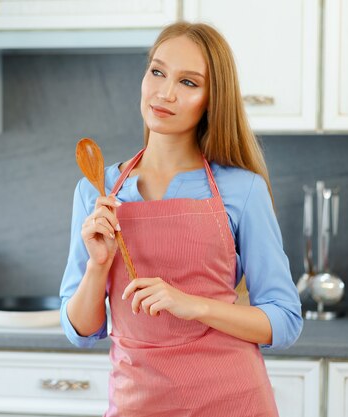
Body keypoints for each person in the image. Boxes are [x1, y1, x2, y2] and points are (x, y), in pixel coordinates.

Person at [60, 21, 302, 417]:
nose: (165, 93)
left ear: (211, 99)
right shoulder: (96, 191)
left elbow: (285, 319)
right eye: (157, 72)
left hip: (232, 399)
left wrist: (193, 305)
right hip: (137, 400)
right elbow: (82, 331)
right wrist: (97, 266)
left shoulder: (243, 190)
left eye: (188, 83)